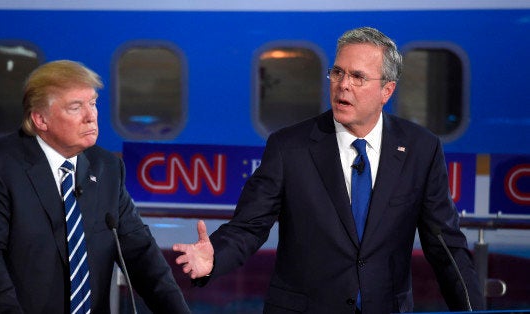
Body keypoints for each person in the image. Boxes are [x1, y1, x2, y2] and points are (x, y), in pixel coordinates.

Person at [173, 27, 484, 313]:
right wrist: (215, 257)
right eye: (337, 72)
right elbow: (249, 226)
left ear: (386, 91)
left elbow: (446, 246)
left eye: (357, 77)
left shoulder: (420, 149)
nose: (343, 85)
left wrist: (472, 310)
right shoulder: (289, 147)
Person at [0, 60, 190, 314]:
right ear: (41, 119)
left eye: (93, 103)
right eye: (76, 107)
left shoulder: (107, 167)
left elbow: (142, 255)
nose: (91, 116)